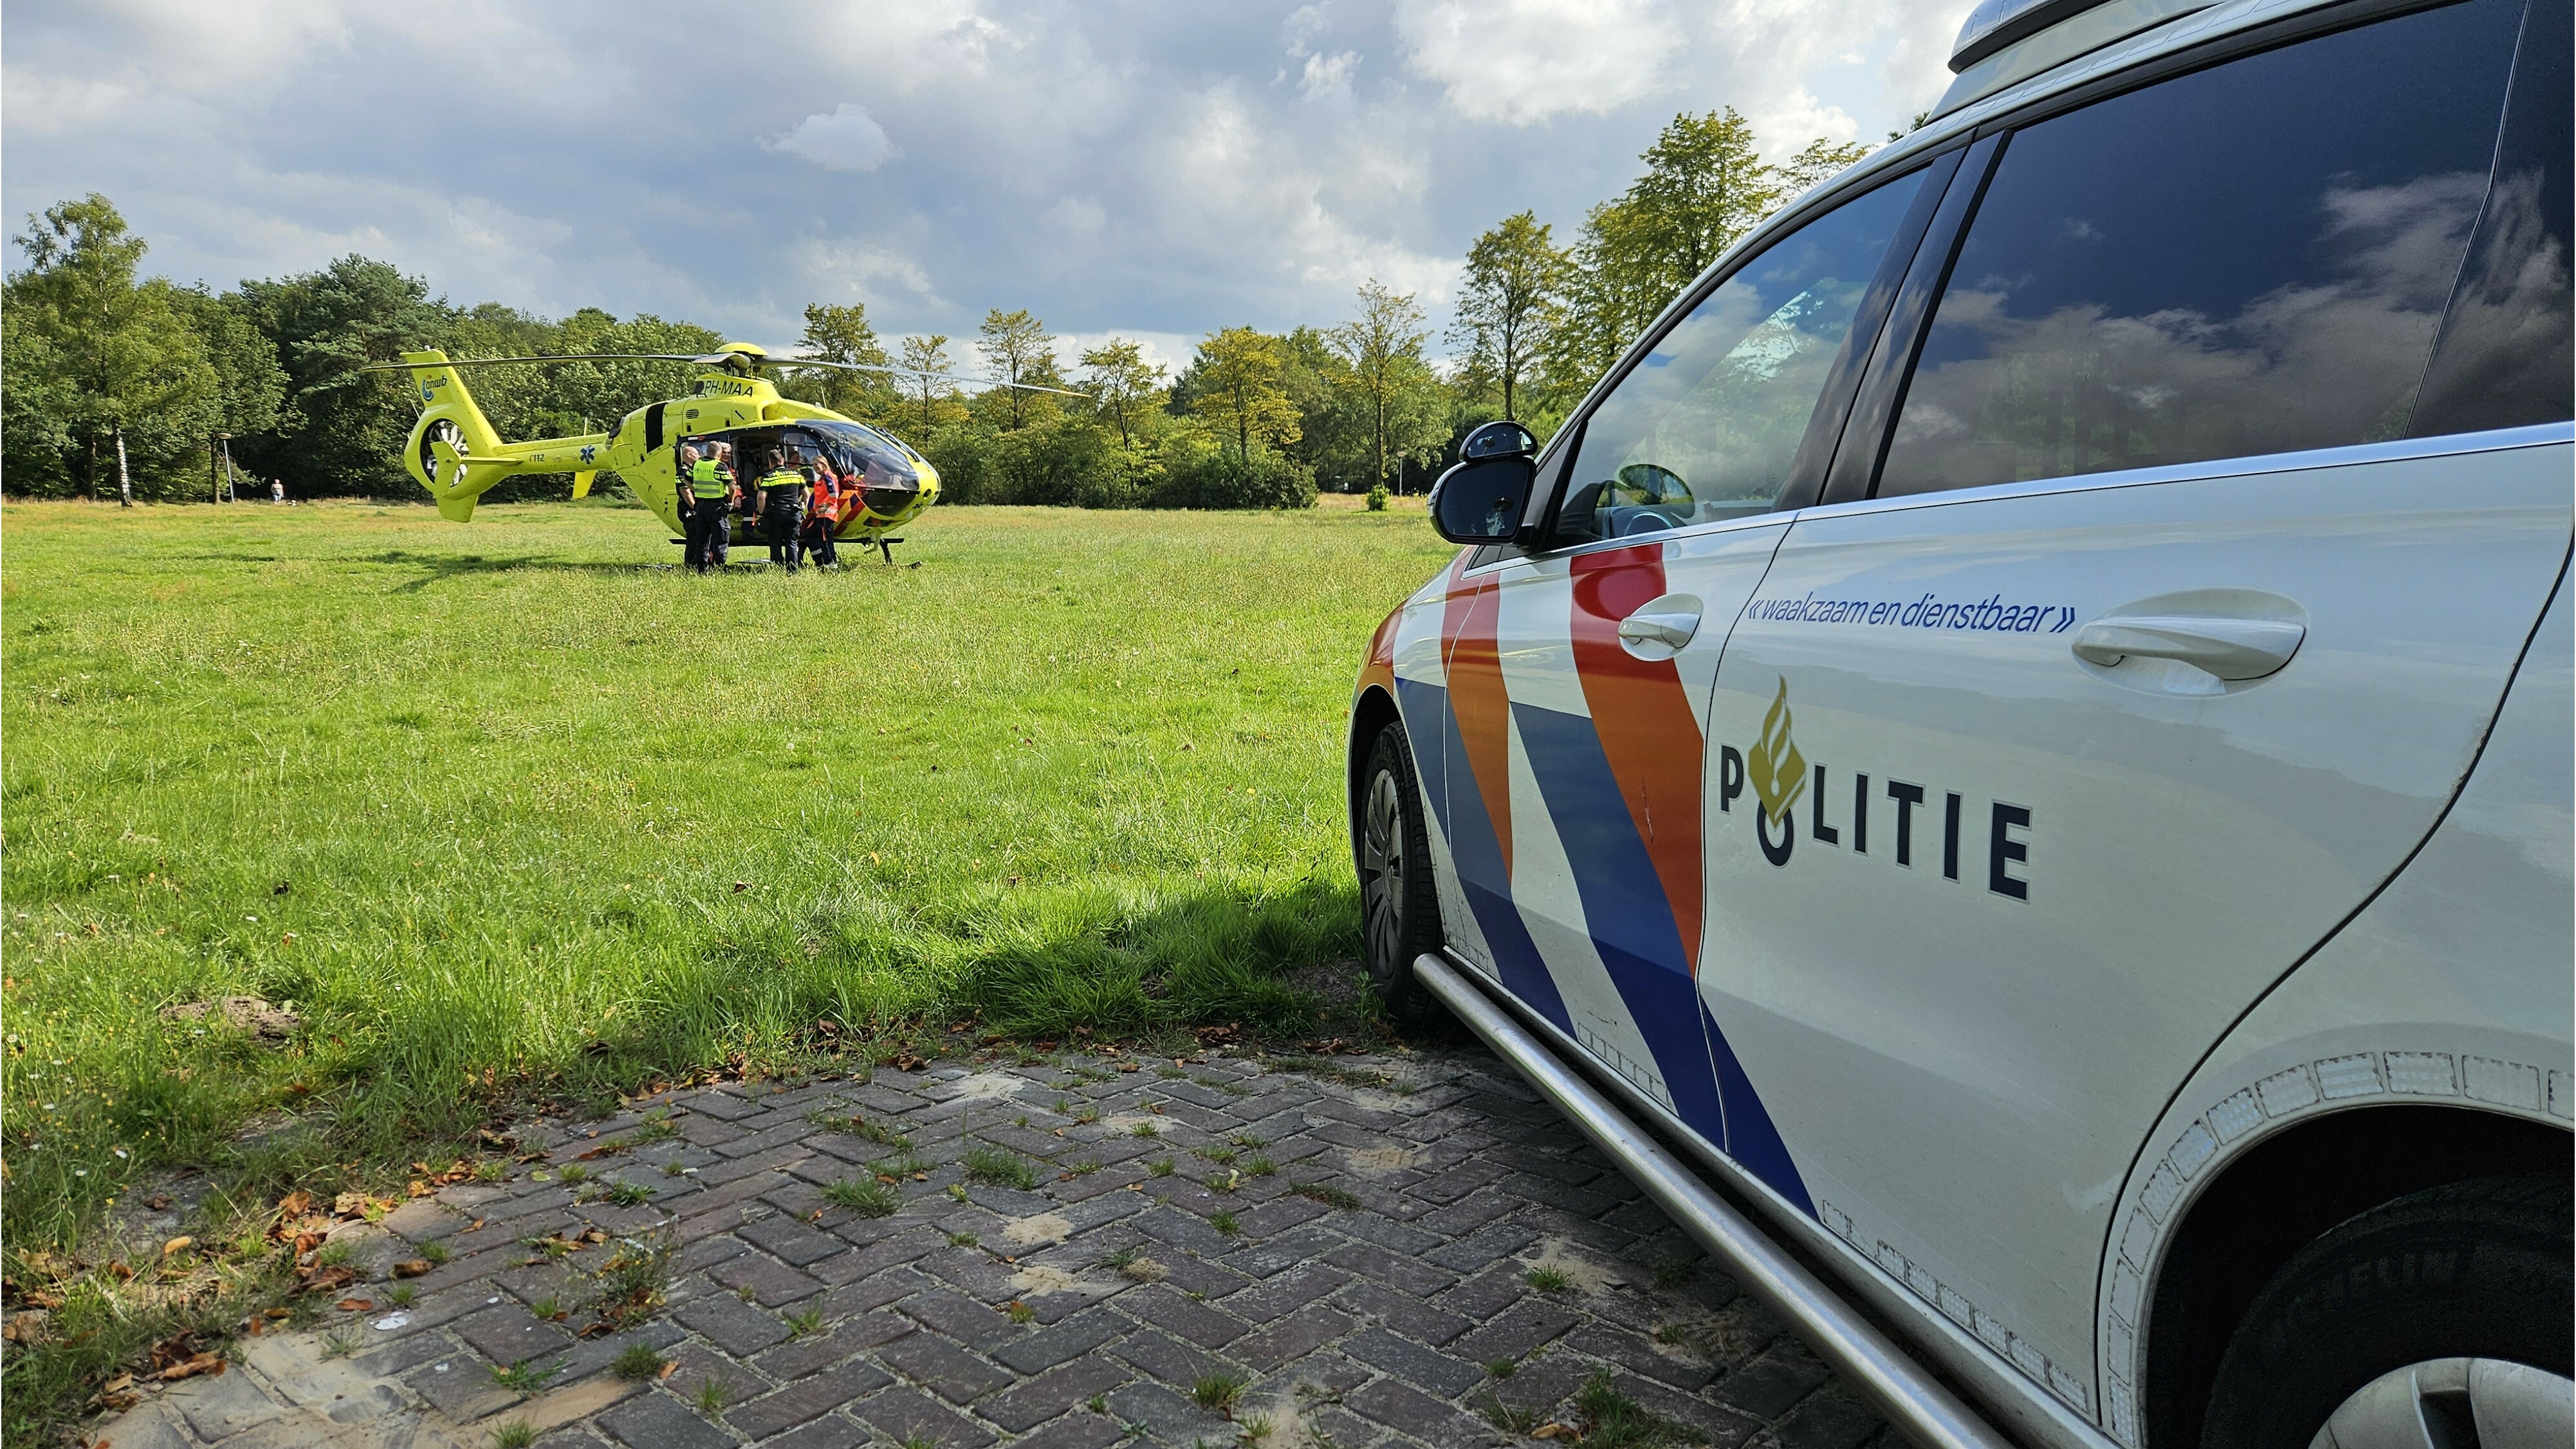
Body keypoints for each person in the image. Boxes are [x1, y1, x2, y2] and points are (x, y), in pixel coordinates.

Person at [756, 445, 809, 572]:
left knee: (775, 542)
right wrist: (802, 506)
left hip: (776, 513)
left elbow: (761, 497)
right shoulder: (797, 475)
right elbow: (807, 494)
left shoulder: (769, 476)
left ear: (770, 463)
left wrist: (762, 512)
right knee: (792, 542)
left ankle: (777, 569)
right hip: (793, 512)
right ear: (783, 460)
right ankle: (793, 570)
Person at [803, 456, 842, 568]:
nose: (814, 467)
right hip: (819, 514)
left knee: (825, 540)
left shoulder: (828, 478)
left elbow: (834, 495)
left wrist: (825, 506)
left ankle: (830, 565)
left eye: (816, 465)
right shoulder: (823, 478)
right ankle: (820, 562)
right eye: (813, 465)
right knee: (809, 533)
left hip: (826, 514)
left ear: (824, 465)